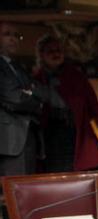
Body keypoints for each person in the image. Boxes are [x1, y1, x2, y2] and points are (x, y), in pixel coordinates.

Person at [33, 34, 98, 173]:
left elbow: (94, 106)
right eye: (51, 51)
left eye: (58, 50)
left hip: (76, 134)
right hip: (50, 137)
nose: (56, 54)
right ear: (41, 55)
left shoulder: (76, 76)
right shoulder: (36, 80)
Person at [0, 22, 45, 177]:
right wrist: (32, 98)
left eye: (16, 35)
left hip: (25, 136)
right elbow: (15, 98)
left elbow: (38, 93)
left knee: (25, 189)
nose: (13, 39)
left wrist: (31, 96)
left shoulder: (18, 67)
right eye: (7, 34)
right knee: (14, 192)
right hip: (8, 140)